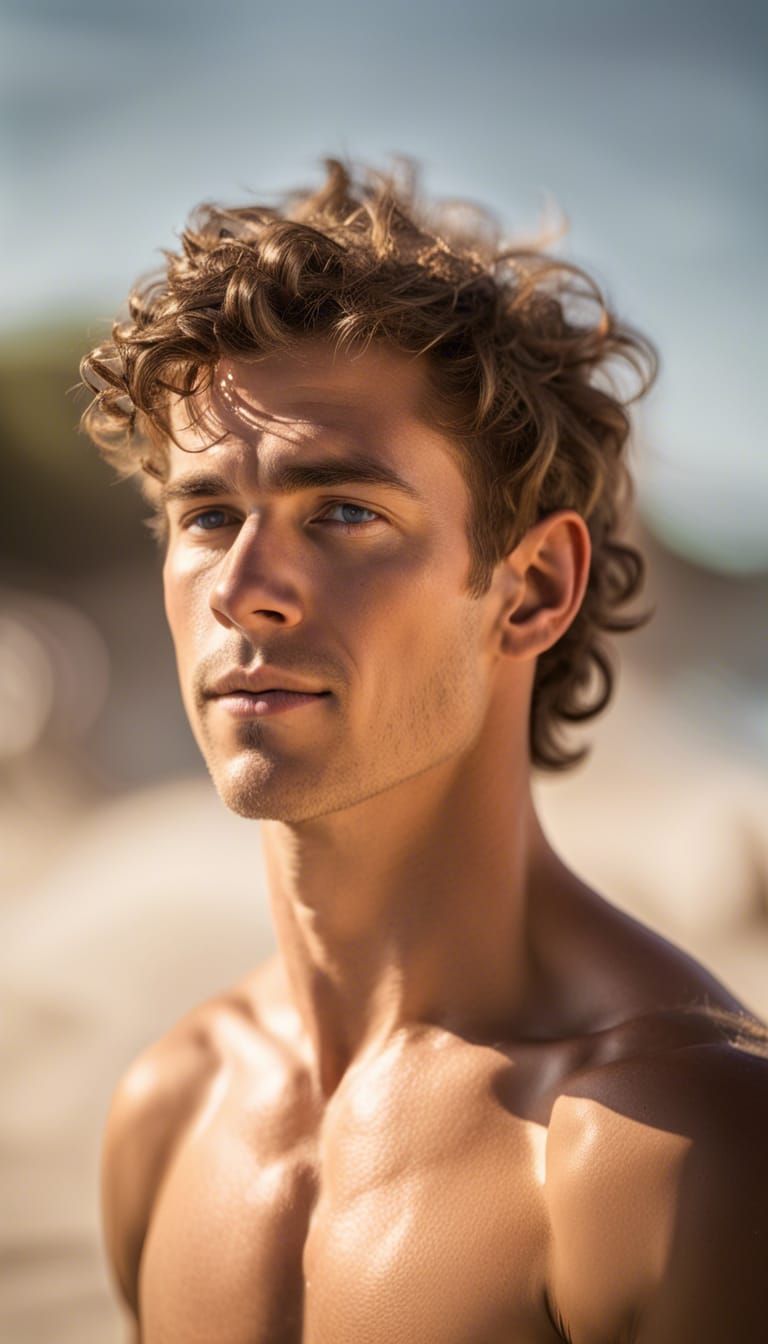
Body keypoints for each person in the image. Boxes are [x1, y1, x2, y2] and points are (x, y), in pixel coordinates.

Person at [80, 158, 768, 1343]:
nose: (244, 591)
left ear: (532, 588)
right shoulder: (170, 1105)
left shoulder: (673, 1149)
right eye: (205, 516)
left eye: (343, 512)